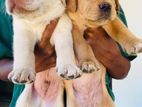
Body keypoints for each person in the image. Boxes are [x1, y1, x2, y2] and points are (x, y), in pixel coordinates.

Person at [0, 0, 136, 106]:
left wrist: (104, 47)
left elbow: (122, 69)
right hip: (33, 98)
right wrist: (29, 64)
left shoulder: (106, 6)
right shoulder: (8, 5)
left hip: (98, 98)